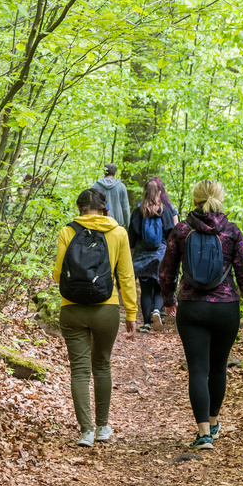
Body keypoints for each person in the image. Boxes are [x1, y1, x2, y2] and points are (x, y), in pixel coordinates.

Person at [159, 180, 243, 450]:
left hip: (192, 308)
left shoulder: (182, 230)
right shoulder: (232, 231)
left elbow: (166, 271)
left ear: (195, 200)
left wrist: (168, 300)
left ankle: (203, 434)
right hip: (226, 307)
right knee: (218, 368)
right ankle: (213, 423)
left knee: (197, 369)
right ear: (220, 199)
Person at [53, 188, 137, 447]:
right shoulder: (118, 233)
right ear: (104, 207)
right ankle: (102, 427)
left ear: (80, 208)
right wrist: (131, 313)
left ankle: (85, 431)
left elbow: (57, 274)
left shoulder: (68, 231)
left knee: (79, 371)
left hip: (72, 308)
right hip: (106, 308)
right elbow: (126, 276)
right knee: (101, 365)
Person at [128, 179, 178, 332]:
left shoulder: (138, 211)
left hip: (142, 256)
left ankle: (146, 324)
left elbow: (131, 236)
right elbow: (171, 235)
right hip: (160, 255)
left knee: (145, 290)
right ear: (159, 193)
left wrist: (131, 254)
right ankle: (157, 310)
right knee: (159, 287)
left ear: (144, 192)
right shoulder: (165, 211)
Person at [92, 163, 130, 229]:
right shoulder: (121, 186)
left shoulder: (96, 186)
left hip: (100, 222)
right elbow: (125, 207)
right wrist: (128, 224)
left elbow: (92, 205)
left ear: (105, 172)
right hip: (117, 223)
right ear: (114, 173)